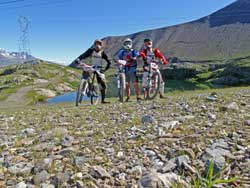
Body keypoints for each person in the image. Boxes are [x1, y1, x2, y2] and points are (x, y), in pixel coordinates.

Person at [74, 39, 111, 104]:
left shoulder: (102, 52)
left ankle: (102, 100)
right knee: (85, 76)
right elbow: (83, 55)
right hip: (90, 67)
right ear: (94, 45)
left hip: (98, 69)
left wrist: (104, 70)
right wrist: (78, 59)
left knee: (103, 85)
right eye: (96, 44)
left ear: (101, 45)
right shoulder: (90, 51)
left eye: (99, 44)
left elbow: (108, 62)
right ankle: (84, 89)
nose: (97, 45)